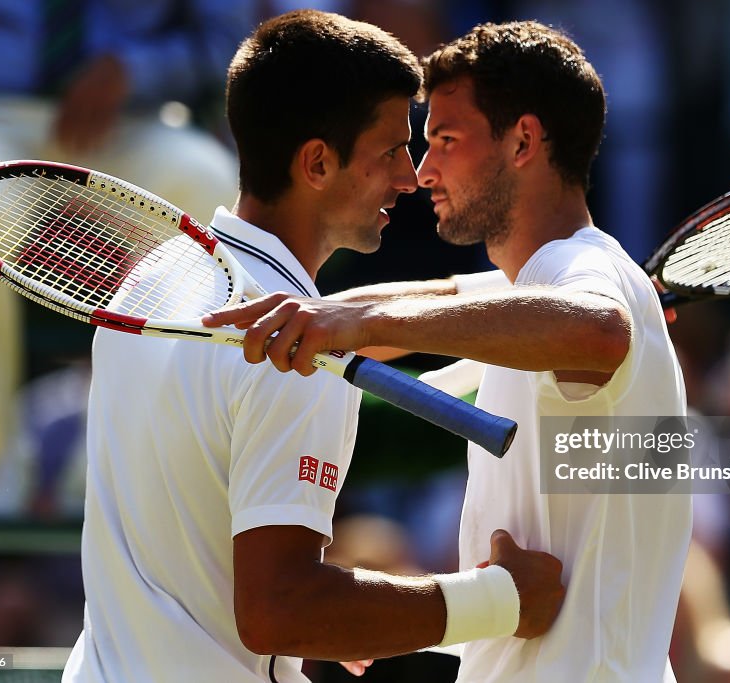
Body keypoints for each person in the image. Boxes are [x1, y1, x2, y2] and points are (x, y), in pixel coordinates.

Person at [63, 11, 564, 683]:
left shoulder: (152, 279)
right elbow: (279, 609)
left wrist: (348, 609)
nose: (411, 177)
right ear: (318, 163)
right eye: (390, 151)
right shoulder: (299, 359)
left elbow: (216, 545)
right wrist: (503, 598)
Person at [204, 20, 691, 682]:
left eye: (445, 141)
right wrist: (314, 318)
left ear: (523, 141)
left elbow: (600, 329)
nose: (422, 171)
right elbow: (436, 298)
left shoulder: (581, 280)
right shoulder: (547, 282)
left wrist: (342, 319)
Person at [0, 0, 249, 501]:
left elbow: (231, 44)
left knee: (214, 193)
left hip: (135, 119)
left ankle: (113, 446)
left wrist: (136, 69)